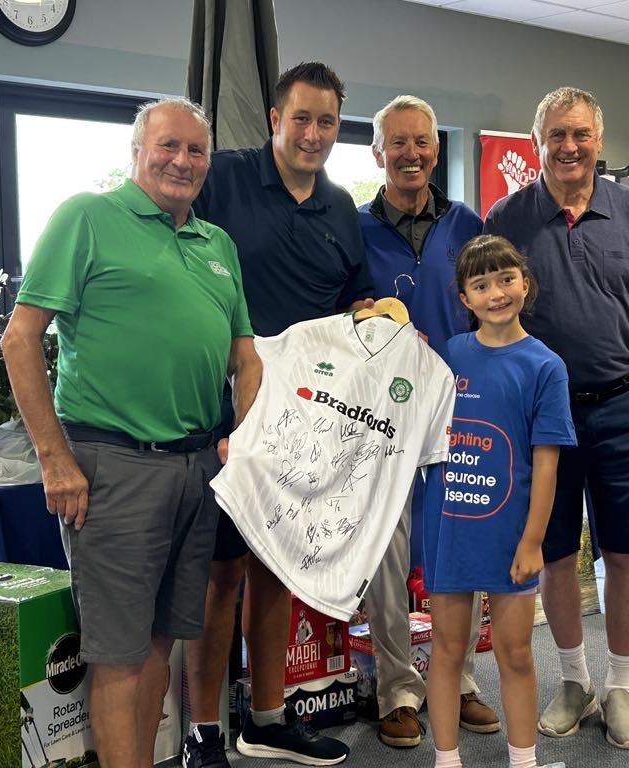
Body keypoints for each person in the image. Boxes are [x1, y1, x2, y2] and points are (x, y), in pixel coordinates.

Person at [0, 97, 261, 768]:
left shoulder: (216, 243)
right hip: (114, 465)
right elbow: (21, 338)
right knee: (118, 658)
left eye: (196, 150)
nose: (182, 160)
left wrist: (246, 432)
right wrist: (54, 459)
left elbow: (247, 355)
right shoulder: (87, 217)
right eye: (168, 146)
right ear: (137, 152)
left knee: (157, 647)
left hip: (198, 467)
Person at [484, 86, 629, 751]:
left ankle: (621, 686)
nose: (569, 148)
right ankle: (574, 680)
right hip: (540, 412)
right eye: (556, 136)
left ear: (599, 141)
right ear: (537, 140)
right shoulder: (508, 216)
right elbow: (487, 313)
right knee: (554, 554)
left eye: (580, 135)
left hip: (627, 403)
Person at [183, 62, 374, 768]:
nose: (313, 134)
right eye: (302, 118)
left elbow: (356, 304)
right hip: (224, 415)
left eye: (327, 122)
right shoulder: (223, 177)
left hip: (304, 422)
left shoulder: (340, 209)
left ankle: (265, 718)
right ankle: (204, 729)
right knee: (220, 576)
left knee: (276, 572)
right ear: (274, 117)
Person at [357, 94, 499, 748]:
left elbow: (496, 310)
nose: (411, 154)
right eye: (397, 143)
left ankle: (461, 679)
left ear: (435, 151)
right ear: (377, 152)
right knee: (388, 563)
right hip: (381, 422)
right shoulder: (353, 228)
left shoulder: (470, 224)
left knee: (457, 559)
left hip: (458, 414)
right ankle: (398, 691)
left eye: (422, 142)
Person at [423, 234, 575, 768]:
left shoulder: (545, 366)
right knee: (445, 650)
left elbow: (548, 463)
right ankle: (446, 759)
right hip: (449, 527)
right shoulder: (449, 355)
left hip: (512, 534)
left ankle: (523, 761)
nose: (496, 293)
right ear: (464, 298)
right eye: (481, 284)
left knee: (514, 652)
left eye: (505, 279)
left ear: (525, 283)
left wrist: (533, 540)